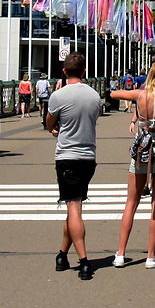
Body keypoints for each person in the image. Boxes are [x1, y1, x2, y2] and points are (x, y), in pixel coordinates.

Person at [110, 60, 155, 268]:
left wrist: (132, 99)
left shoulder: (141, 95)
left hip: (141, 148)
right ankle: (151, 256)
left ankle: (120, 254)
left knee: (131, 202)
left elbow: (114, 94)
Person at [44, 52, 100, 280]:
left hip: (67, 155)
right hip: (88, 156)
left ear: (65, 71)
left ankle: (84, 262)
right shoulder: (94, 95)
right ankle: (61, 255)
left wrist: (54, 129)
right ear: (84, 71)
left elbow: (50, 121)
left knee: (74, 207)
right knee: (73, 205)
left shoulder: (58, 96)